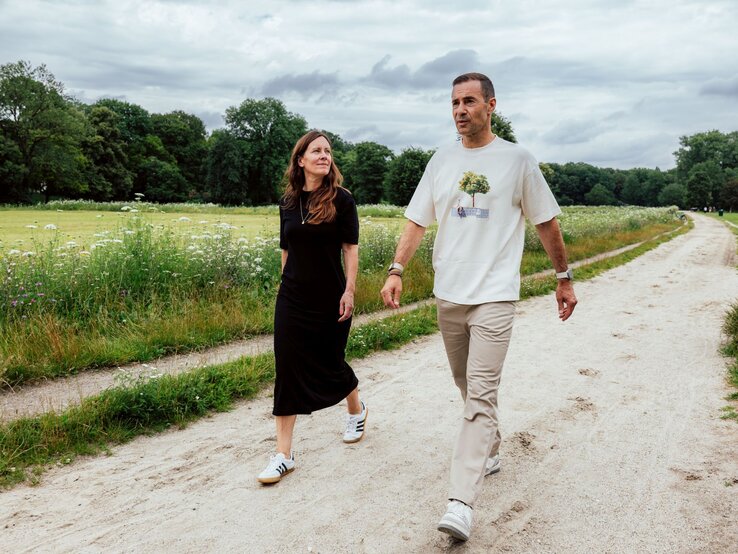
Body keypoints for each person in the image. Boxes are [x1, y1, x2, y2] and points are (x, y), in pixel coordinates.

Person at [380, 73, 577, 541]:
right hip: (449, 294)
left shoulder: (517, 160)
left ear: (491, 105)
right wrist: (396, 268)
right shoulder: (440, 162)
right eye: (454, 102)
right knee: (465, 383)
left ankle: (460, 503)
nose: (460, 110)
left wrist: (563, 277)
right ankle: (489, 444)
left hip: (495, 295)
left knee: (481, 392)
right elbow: (415, 221)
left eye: (469, 101)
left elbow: (546, 222)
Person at [258, 130, 367, 485]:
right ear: (300, 159)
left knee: (329, 362)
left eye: (328, 151)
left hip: (330, 295)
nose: (324, 155)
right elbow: (286, 251)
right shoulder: (288, 202)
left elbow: (350, 249)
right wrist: (282, 286)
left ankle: (356, 409)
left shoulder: (343, 200)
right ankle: (284, 455)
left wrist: (350, 290)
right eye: (316, 150)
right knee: (287, 367)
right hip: (292, 296)